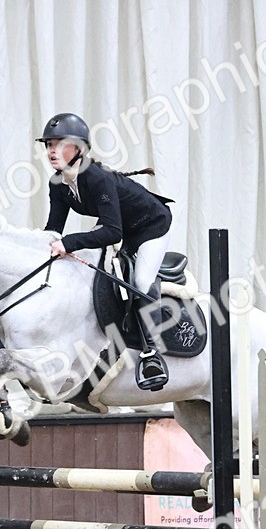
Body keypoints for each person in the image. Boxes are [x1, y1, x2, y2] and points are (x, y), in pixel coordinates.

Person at [36, 112, 173, 391]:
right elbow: (54, 229)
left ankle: (151, 354)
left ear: (80, 149)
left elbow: (112, 232)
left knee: (140, 282)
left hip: (150, 226)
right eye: (48, 144)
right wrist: (38, 247)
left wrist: (70, 243)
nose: (51, 150)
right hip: (122, 227)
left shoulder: (97, 178)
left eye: (59, 143)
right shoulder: (58, 184)